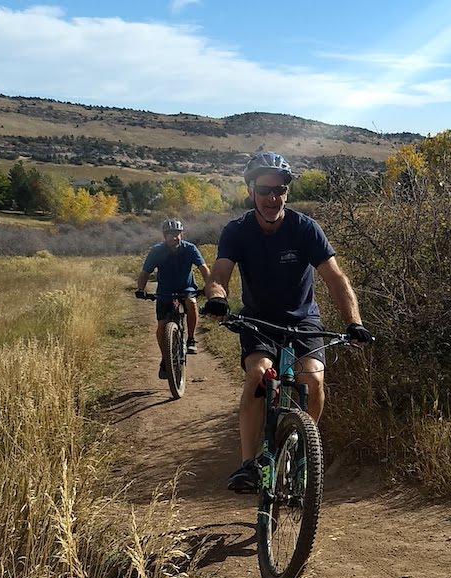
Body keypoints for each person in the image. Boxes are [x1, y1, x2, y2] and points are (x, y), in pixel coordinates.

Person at [201, 151, 373, 493]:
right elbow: (220, 272)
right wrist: (217, 297)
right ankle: (250, 464)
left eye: (279, 190)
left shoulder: (304, 228)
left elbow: (336, 279)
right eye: (264, 190)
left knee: (314, 380)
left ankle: (302, 443)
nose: (271, 197)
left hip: (304, 319)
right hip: (259, 321)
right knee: (258, 374)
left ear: (286, 192)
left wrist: (354, 322)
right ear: (251, 191)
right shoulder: (237, 230)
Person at [136, 218, 211, 379]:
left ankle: (191, 339)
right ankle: (165, 358)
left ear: (181, 234)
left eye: (177, 234)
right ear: (164, 236)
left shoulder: (190, 249)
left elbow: (203, 268)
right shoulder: (156, 251)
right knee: (162, 325)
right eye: (170, 235)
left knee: (191, 302)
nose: (174, 238)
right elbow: (145, 272)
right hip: (165, 291)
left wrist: (210, 287)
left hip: (187, 288)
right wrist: (140, 289)